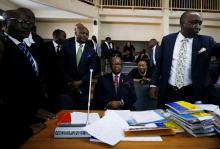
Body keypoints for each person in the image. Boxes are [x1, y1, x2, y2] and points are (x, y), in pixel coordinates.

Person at [149, 11, 220, 109]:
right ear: (182, 23)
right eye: (194, 22)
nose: (198, 26)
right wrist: (153, 84)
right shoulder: (167, 40)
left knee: (191, 122)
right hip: (168, 91)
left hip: (192, 92)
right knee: (167, 121)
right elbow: (159, 64)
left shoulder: (207, 41)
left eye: (200, 23)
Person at [0, 10, 45, 148]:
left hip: (29, 114)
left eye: (28, 23)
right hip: (13, 124)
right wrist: (23, 130)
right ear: (4, 23)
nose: (26, 26)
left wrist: (35, 110)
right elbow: (6, 93)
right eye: (21, 22)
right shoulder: (3, 46)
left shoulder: (24, 46)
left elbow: (28, 82)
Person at [59, 24, 100, 110]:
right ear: (76, 33)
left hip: (83, 89)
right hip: (68, 88)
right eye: (82, 33)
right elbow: (61, 66)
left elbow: (92, 69)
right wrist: (70, 81)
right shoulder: (66, 47)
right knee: (67, 113)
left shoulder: (91, 51)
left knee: (82, 112)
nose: (85, 35)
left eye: (86, 34)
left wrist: (81, 81)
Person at [44, 29, 66, 113]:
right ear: (55, 36)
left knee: (61, 101)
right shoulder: (45, 46)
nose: (65, 38)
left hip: (62, 80)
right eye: (63, 36)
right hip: (49, 80)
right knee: (51, 101)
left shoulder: (65, 47)